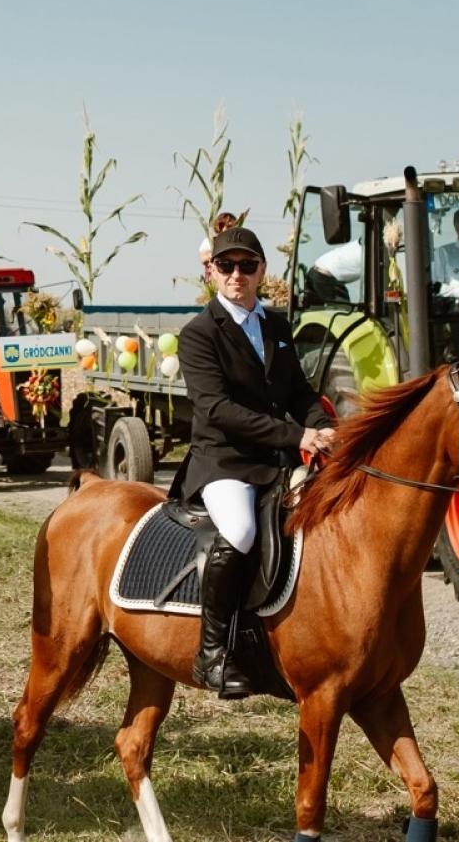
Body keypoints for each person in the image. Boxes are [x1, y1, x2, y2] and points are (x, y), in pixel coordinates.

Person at [174, 226, 336, 697]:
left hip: (277, 457)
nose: (237, 275)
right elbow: (219, 410)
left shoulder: (276, 325)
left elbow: (298, 392)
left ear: (262, 270)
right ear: (212, 272)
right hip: (224, 460)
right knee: (242, 531)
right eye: (226, 266)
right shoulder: (199, 334)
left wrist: (326, 428)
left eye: (247, 266)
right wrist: (298, 433)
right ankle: (212, 654)